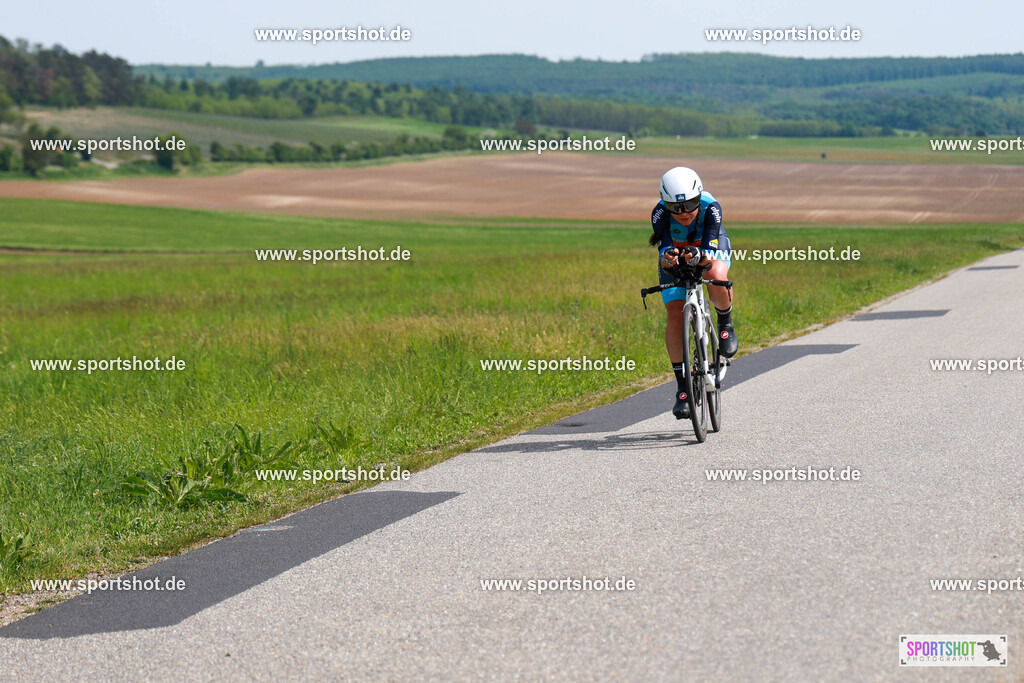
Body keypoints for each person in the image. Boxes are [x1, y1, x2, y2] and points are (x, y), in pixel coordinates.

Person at [649, 167, 737, 420]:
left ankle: (725, 323)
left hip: (709, 244)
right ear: (665, 204)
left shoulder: (711, 208)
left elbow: (709, 252)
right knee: (675, 313)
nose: (683, 212)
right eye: (675, 207)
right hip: (677, 251)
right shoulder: (658, 214)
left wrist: (698, 257)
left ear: (698, 196)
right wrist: (670, 259)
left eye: (689, 204)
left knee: (716, 277)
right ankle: (682, 388)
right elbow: (664, 250)